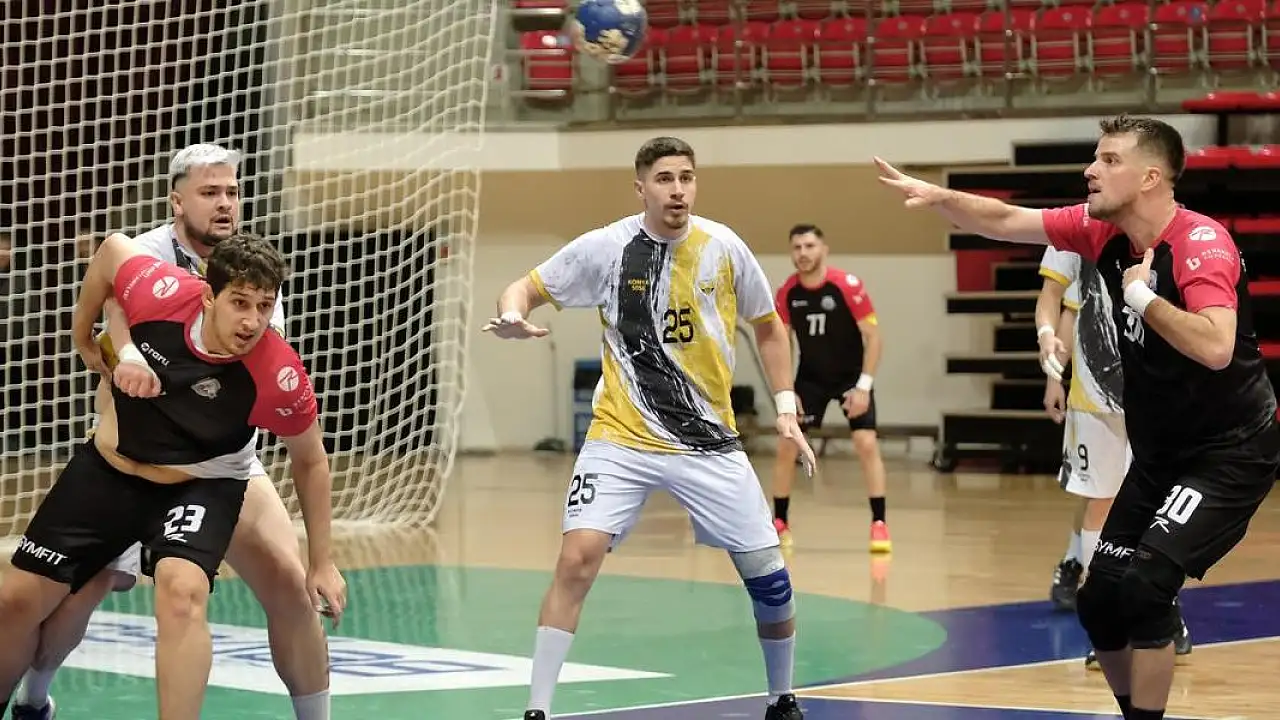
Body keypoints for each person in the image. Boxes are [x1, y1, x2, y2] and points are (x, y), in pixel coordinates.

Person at [878, 114, 1279, 720]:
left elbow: (1217, 346)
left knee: (1146, 587)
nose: (1091, 170)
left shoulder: (1201, 244)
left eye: (1109, 160)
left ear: (1151, 177)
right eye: (1096, 157)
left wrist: (1142, 298)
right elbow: (1005, 220)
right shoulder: (1100, 231)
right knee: (1098, 602)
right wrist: (940, 197)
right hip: (1160, 454)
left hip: (1230, 452)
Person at [483, 136, 816, 720]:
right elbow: (525, 288)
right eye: (664, 179)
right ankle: (537, 710)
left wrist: (785, 405)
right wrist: (513, 313)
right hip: (621, 436)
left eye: (686, 177)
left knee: (768, 577)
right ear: (641, 188)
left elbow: (768, 326)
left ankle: (782, 698)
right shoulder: (607, 248)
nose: (677, 190)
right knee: (576, 559)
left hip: (708, 441)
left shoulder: (724, 247)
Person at [9, 144, 340, 720]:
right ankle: (35, 697)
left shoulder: (252, 280)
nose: (225, 203)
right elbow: (116, 296)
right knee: (67, 597)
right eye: (210, 192)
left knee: (286, 584)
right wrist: (119, 350)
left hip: (219, 462)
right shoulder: (151, 256)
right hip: (132, 450)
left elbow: (288, 426)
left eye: (232, 192)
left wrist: (324, 559)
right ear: (177, 201)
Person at [1037, 246, 1192, 667]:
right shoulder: (1076, 235)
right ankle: (1108, 620)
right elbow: (1066, 307)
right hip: (1095, 398)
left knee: (1159, 510)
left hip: (1154, 392)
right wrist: (1055, 372)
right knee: (1101, 503)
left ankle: (1163, 608)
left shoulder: (1158, 235)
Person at [771, 224, 889, 552]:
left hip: (851, 377)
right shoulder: (788, 292)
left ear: (824, 249)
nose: (803, 253)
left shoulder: (846, 286)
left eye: (809, 246)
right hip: (811, 378)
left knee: (866, 442)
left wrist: (863, 387)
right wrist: (787, 391)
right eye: (797, 247)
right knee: (787, 444)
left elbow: (874, 337)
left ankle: (879, 523)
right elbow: (781, 343)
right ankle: (779, 523)